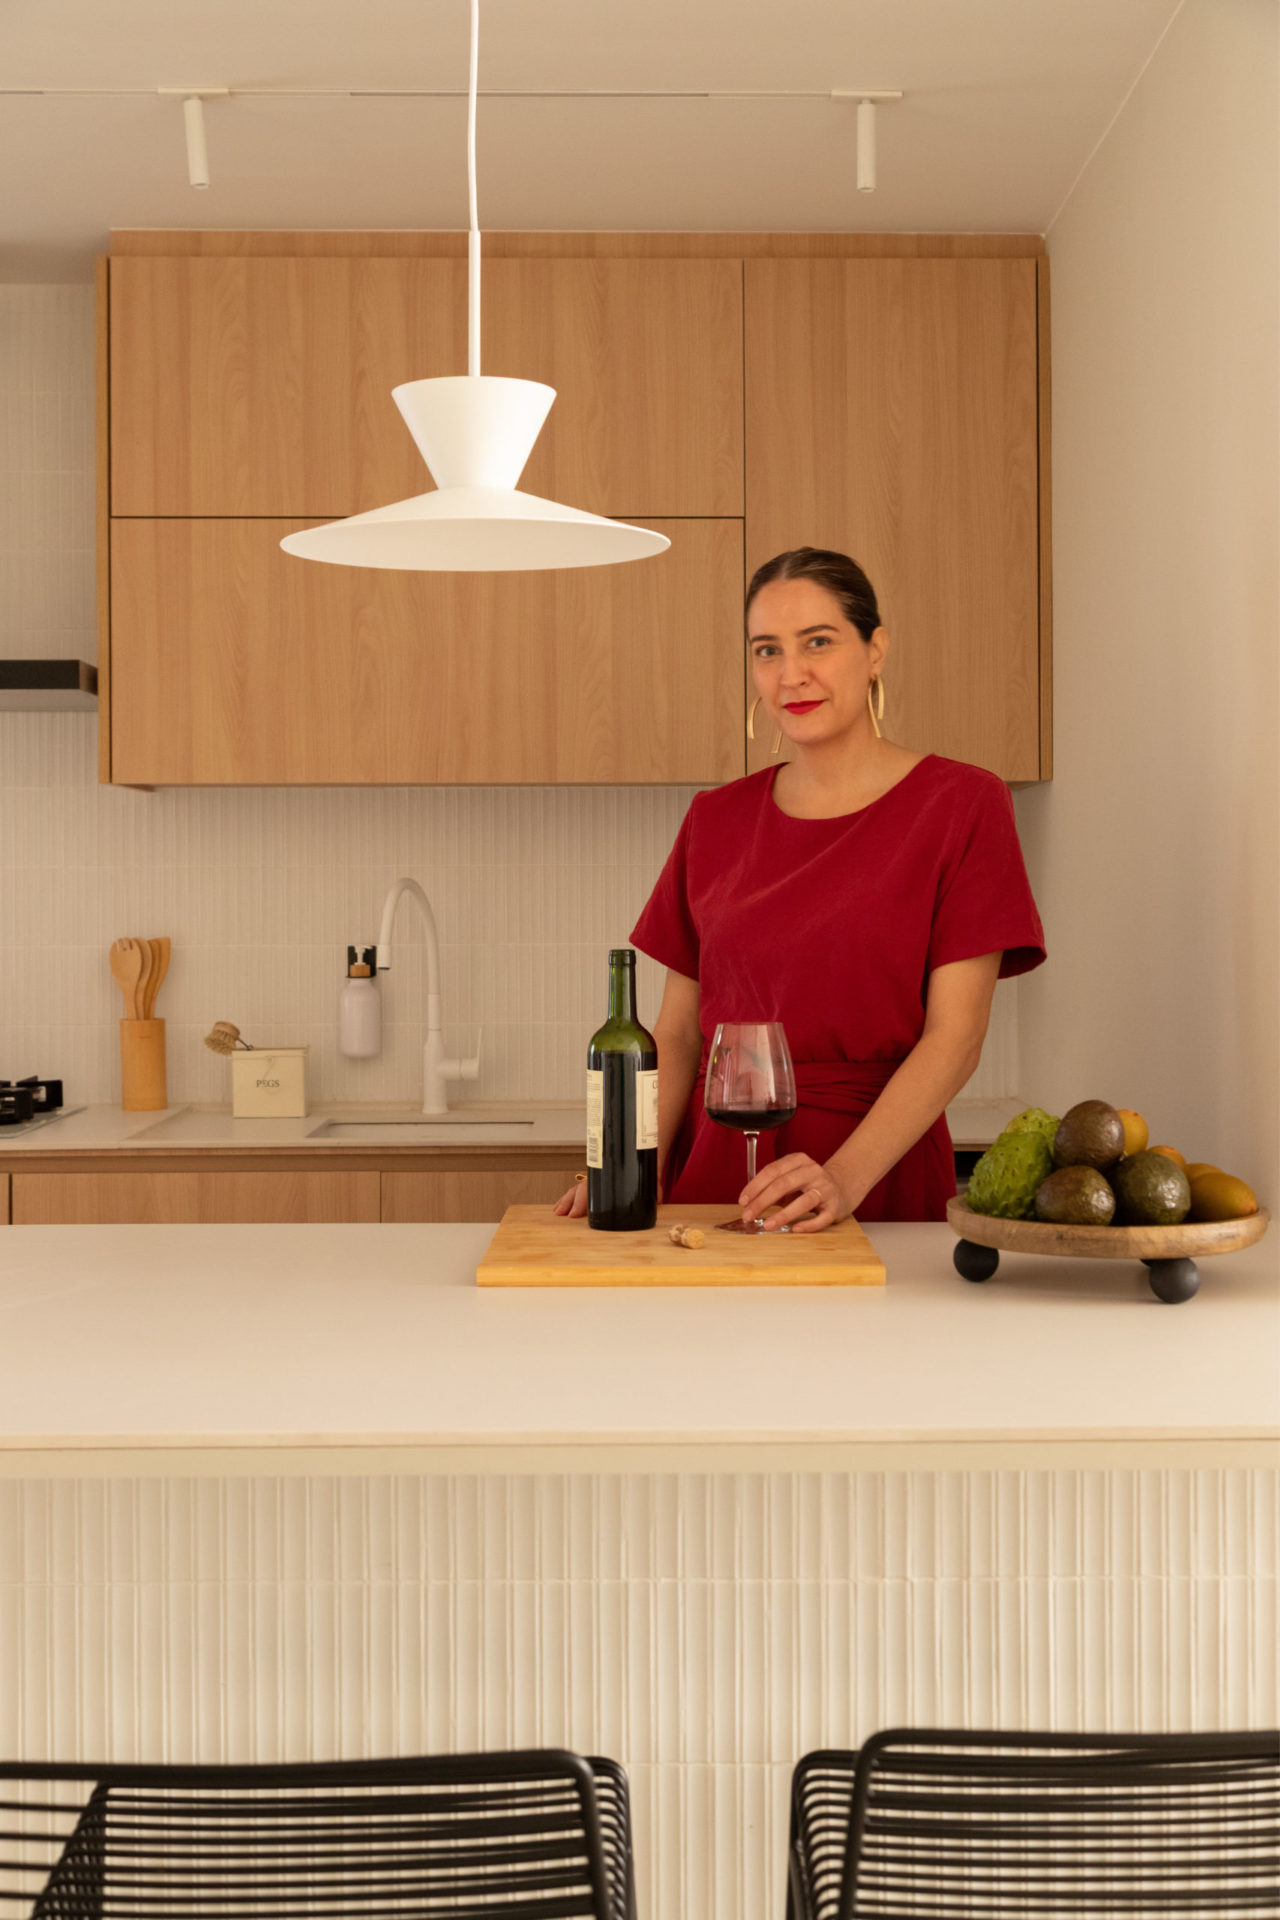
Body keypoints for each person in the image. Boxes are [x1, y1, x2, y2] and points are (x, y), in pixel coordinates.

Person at [555, 546, 1045, 1232]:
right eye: (767, 650)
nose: (792, 674)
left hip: (871, 1172)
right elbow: (676, 1033)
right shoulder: (714, 819)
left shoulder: (963, 805)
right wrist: (622, 1168)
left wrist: (841, 1179)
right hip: (717, 1173)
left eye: (818, 642)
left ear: (876, 650)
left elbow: (957, 1036)